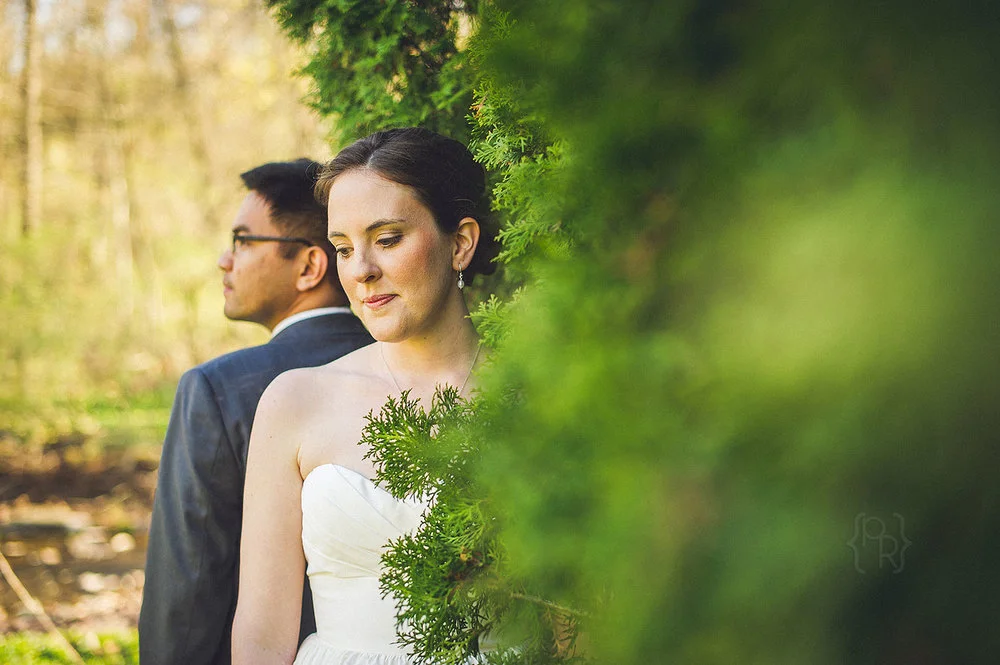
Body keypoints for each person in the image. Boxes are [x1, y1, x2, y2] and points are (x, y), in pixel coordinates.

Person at [230, 128, 496, 664]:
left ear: (460, 242)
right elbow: (261, 632)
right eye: (344, 248)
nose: (361, 270)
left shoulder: (539, 398)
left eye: (389, 238)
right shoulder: (296, 402)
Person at [139, 159, 375, 665]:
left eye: (244, 241)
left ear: (310, 266)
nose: (225, 261)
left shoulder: (216, 389)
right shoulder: (408, 373)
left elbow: (186, 589)